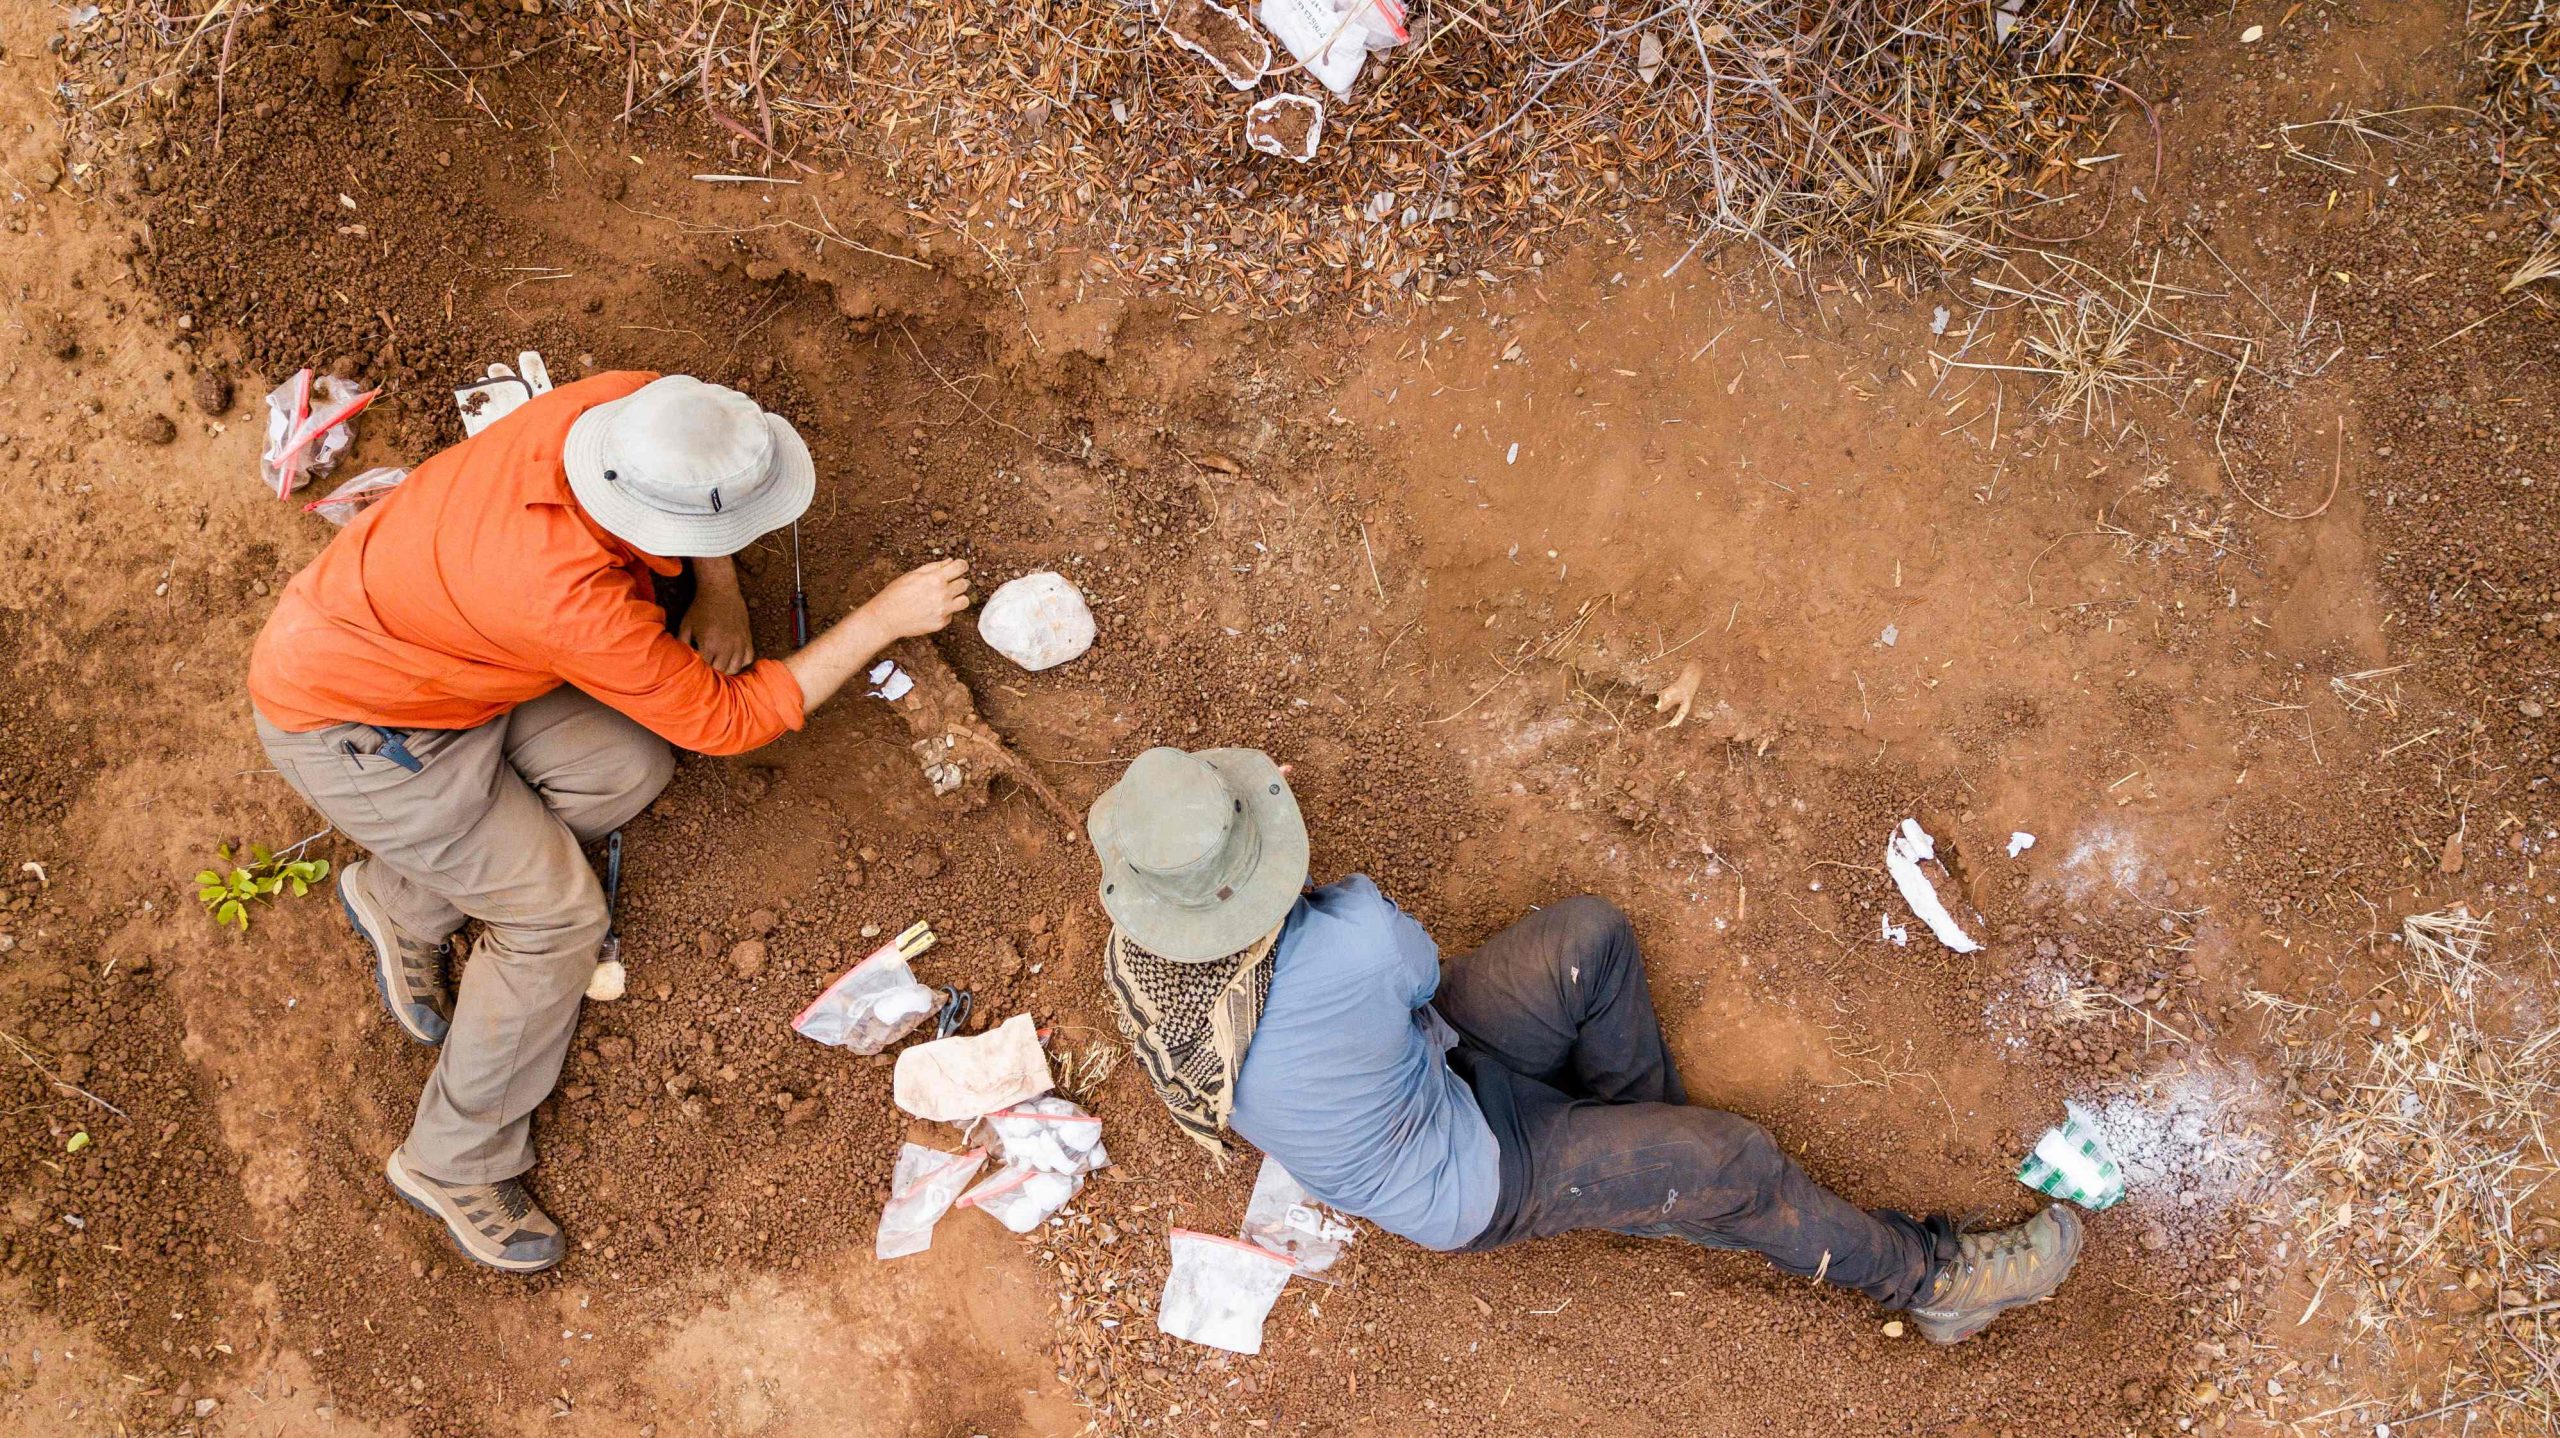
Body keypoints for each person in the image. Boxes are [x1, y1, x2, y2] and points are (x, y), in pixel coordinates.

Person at [247, 372, 970, 1273]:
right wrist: (882, 619)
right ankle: (453, 1159)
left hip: (435, 666)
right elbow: (732, 720)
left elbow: (695, 492)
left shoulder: (631, 410)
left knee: (624, 765)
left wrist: (719, 591)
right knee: (555, 921)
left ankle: (406, 902)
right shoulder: (564, 597)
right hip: (360, 732)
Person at [1087, 746, 2084, 1344]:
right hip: (1461, 1175)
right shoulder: (1353, 942)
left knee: (1588, 941)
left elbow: (1391, 1001)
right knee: (1734, 1160)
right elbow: (1415, 970)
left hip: (1425, 1068)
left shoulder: (1147, 963)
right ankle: (1931, 1282)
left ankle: (1650, 1168)